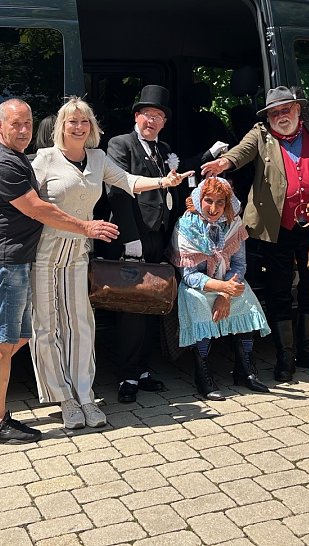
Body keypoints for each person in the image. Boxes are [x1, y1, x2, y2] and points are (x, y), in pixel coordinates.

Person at [0, 98, 120, 445]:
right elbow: (38, 208)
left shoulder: (8, 154)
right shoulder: (2, 163)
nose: (24, 130)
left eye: (28, 123)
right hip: (3, 262)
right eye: (16, 125)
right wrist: (86, 227)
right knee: (3, 341)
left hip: (7, 260)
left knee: (19, 336)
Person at [31, 97, 190, 429]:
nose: (78, 127)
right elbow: (31, 207)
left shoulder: (98, 157)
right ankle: (64, 399)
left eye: (84, 121)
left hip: (77, 253)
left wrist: (164, 182)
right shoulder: (44, 160)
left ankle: (85, 396)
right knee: (46, 327)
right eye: (72, 121)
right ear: (61, 125)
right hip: (46, 252)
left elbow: (129, 182)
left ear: (92, 127)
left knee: (80, 325)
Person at [202, 86, 309, 381]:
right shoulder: (261, 134)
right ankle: (285, 355)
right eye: (274, 113)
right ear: (268, 117)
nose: (281, 116)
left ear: (298, 110)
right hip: (275, 228)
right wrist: (224, 162)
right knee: (279, 290)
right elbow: (240, 153)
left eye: (286, 110)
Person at [102, 84, 190, 403]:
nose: (151, 121)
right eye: (146, 115)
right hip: (134, 239)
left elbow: (174, 185)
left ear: (164, 122)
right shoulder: (120, 144)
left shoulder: (164, 149)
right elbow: (116, 190)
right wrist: (131, 238)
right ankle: (126, 374)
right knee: (130, 307)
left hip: (159, 237)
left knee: (153, 302)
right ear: (136, 117)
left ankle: (141, 368)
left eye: (158, 116)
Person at [171, 177, 270, 400]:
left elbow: (239, 265)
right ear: (198, 200)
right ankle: (203, 374)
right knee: (196, 301)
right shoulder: (185, 227)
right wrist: (221, 287)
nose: (214, 208)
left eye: (220, 202)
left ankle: (245, 370)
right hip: (199, 285)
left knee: (245, 296)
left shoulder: (234, 225)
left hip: (225, 283)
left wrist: (225, 293)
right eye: (208, 201)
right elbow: (188, 275)